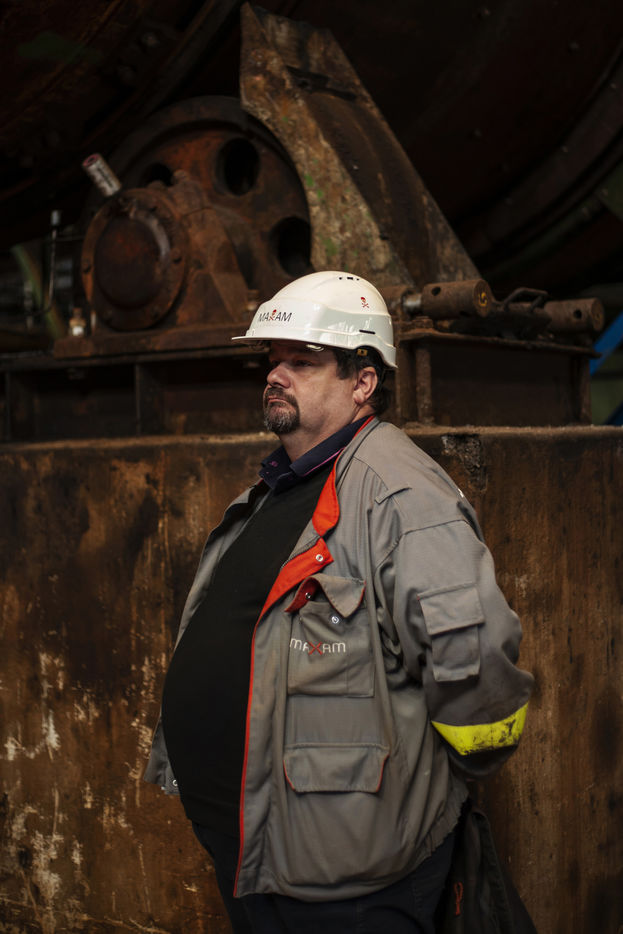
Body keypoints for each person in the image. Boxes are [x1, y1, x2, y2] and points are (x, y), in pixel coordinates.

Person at [145, 270, 533, 934]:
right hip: (259, 852)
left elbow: (474, 663)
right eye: (273, 360)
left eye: (303, 361)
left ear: (363, 382)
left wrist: (445, 774)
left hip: (350, 879)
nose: (276, 375)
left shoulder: (401, 495)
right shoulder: (285, 486)